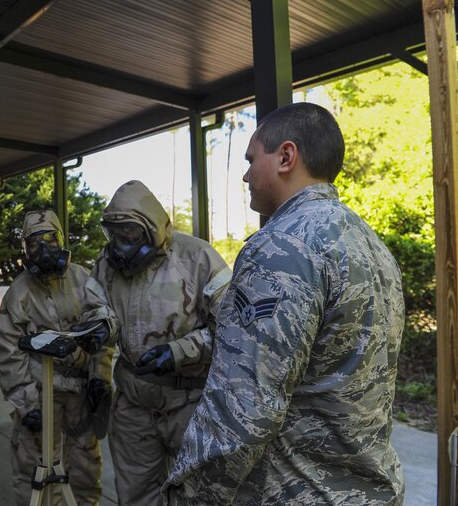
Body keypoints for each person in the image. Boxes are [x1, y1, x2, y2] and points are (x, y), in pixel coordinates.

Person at [163, 102, 406, 505]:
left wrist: (190, 494)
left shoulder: (282, 247)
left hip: (298, 493)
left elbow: (243, 406)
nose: (245, 174)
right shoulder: (370, 244)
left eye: (251, 159)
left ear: (286, 157)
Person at [75, 180, 232, 506]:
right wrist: (100, 328)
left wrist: (181, 351)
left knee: (197, 494)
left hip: (188, 402)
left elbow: (233, 330)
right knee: (135, 494)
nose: (120, 243)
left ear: (151, 228)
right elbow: (96, 307)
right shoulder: (107, 265)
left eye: (129, 232)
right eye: (114, 233)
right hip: (133, 404)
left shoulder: (197, 258)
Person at [0, 210, 115, 506]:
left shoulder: (83, 279)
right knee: (35, 469)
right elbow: (8, 351)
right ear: (25, 248)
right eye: (35, 243)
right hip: (41, 397)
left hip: (81, 397)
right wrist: (26, 403)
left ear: (61, 239)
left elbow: (101, 333)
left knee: (86, 468)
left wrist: (100, 378)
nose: (45, 249)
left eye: (51, 239)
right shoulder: (19, 293)